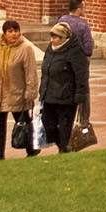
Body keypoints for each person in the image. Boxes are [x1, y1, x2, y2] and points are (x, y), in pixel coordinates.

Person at [0, 19, 39, 160]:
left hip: (17, 93)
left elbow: (30, 72)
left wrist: (30, 92)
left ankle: (31, 149)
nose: (14, 34)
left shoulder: (25, 49)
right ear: (4, 33)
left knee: (23, 122)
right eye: (10, 31)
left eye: (16, 30)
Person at [38, 21, 90, 154]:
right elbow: (46, 72)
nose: (53, 40)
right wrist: (42, 91)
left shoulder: (75, 51)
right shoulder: (50, 50)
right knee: (48, 124)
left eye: (56, 37)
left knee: (64, 127)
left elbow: (81, 74)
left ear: (64, 38)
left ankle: (63, 150)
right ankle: (63, 146)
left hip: (67, 97)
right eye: (52, 37)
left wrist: (80, 95)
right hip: (49, 95)